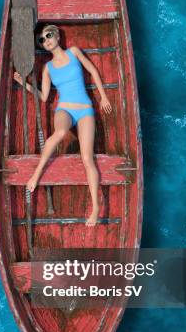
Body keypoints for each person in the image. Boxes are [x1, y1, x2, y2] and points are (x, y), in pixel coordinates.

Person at [13, 24, 112, 226]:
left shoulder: (74, 51)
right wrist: (25, 84)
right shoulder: (47, 68)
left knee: (87, 158)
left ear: (57, 35)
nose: (46, 41)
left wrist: (103, 98)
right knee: (60, 132)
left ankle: (95, 209)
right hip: (64, 109)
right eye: (42, 40)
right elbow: (44, 97)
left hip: (85, 109)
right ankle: (36, 174)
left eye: (48, 36)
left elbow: (92, 70)